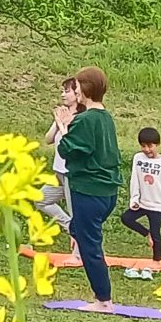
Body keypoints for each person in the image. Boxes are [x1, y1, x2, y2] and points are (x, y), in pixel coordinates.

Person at [56, 66, 121, 306]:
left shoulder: (85, 119)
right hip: (108, 191)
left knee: (90, 246)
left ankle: (103, 299)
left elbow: (68, 150)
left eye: (76, 87)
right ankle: (102, 297)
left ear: (84, 89)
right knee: (80, 230)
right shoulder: (106, 117)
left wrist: (63, 127)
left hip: (89, 190)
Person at [119, 126, 161, 276]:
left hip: (158, 205)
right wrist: (134, 199)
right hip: (142, 203)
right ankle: (147, 234)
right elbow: (135, 179)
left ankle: (157, 261)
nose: (147, 149)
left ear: (157, 145)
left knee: (156, 234)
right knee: (126, 218)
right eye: (143, 146)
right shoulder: (138, 158)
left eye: (150, 146)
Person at [41, 78, 77, 237]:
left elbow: (72, 143)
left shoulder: (81, 116)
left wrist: (65, 125)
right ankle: (70, 225)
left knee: (76, 211)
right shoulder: (63, 114)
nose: (63, 95)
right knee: (41, 199)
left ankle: (79, 252)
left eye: (67, 91)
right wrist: (57, 122)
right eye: (62, 91)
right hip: (58, 173)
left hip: (70, 173)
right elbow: (48, 139)